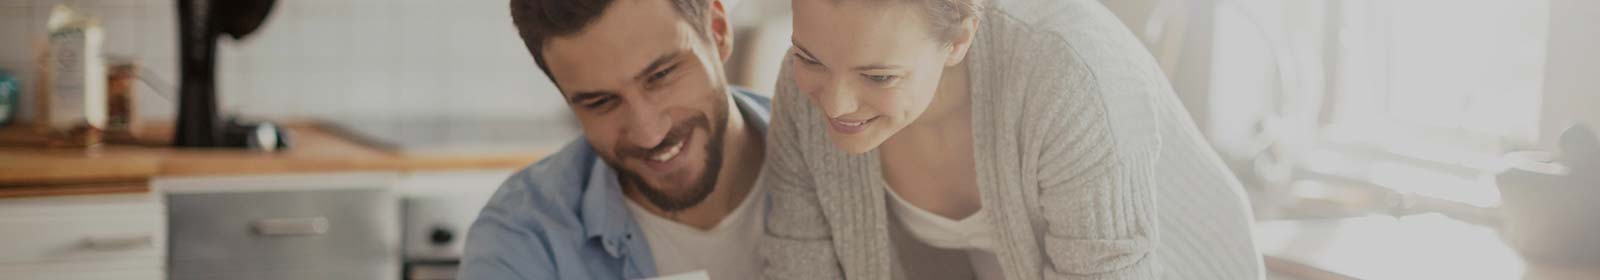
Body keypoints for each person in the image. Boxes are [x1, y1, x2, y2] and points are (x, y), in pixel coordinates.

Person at [760, 0, 1261, 279]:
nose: (835, 103)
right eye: (809, 58)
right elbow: (796, 269)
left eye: (879, 77)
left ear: (959, 40)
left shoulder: (1068, 74)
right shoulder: (801, 90)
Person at [459, 0, 773, 279]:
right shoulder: (523, 236)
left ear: (717, 31)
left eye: (661, 75)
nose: (649, 134)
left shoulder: (820, 158)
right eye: (600, 103)